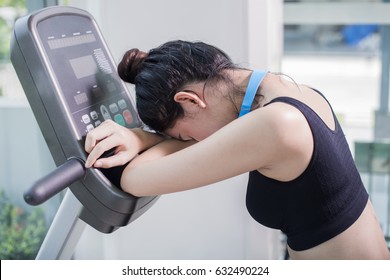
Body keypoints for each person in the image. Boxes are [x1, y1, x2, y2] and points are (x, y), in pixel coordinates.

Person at [84, 40, 390, 260]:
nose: (191, 145)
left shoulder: (275, 125)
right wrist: (145, 139)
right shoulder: (288, 91)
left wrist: (139, 139)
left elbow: (135, 177)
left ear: (190, 101)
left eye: (184, 136)